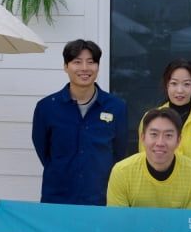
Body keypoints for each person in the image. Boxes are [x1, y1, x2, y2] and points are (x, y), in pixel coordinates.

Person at [31, 39, 130, 205]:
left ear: (97, 67)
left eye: (91, 62)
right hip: (57, 200)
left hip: (101, 199)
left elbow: (119, 152)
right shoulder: (46, 108)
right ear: (65, 66)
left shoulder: (117, 108)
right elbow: (44, 151)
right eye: (77, 62)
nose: (84, 68)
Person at [140, 58, 191, 207]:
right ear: (166, 85)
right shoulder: (150, 119)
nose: (180, 90)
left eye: (186, 84)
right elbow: (146, 162)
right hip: (157, 200)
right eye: (174, 83)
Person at [111, 108, 191, 209]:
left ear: (178, 141)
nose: (160, 143)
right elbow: (118, 222)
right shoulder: (122, 172)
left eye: (168, 135)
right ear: (143, 138)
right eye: (154, 134)